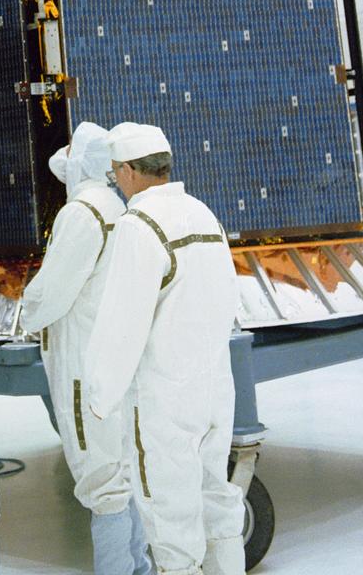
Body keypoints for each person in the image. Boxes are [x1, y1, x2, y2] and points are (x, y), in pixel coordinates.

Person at [84, 124, 245, 575]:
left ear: (131, 171)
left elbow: (122, 321)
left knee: (170, 517)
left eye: (116, 171)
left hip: (163, 399)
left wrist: (100, 394)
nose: (116, 180)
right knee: (217, 502)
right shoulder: (203, 214)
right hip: (214, 388)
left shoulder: (139, 224)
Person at [21, 123, 151, 575]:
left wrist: (22, 314)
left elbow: (51, 292)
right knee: (123, 469)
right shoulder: (116, 206)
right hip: (115, 359)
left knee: (101, 477)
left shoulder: (82, 213)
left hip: (83, 365)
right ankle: (139, 567)